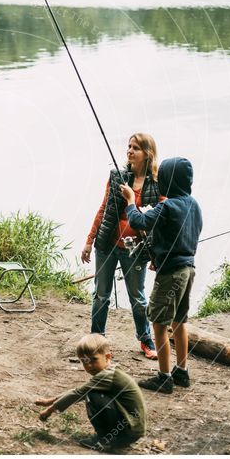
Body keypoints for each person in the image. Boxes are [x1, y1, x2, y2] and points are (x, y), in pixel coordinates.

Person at [120, 157, 203, 394]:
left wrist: (130, 200)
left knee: (158, 323)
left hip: (171, 274)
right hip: (189, 269)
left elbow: (138, 221)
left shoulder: (166, 206)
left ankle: (164, 377)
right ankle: (182, 372)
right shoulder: (193, 204)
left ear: (169, 181)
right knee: (179, 321)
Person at [81, 133, 162, 359]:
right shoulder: (117, 176)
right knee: (101, 295)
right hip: (107, 245)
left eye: (135, 148)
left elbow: (161, 222)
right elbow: (103, 208)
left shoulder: (156, 184)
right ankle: (97, 339)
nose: (129, 151)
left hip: (136, 251)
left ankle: (145, 340)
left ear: (148, 154)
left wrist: (157, 255)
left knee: (137, 297)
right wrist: (89, 240)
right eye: (128, 146)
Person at [35, 333, 147, 451]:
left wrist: (50, 410)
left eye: (94, 359)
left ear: (108, 357)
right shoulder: (111, 371)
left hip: (128, 430)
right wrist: (49, 401)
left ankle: (105, 440)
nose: (89, 365)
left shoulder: (106, 376)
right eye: (84, 361)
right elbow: (78, 391)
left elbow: (78, 393)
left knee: (92, 395)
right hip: (133, 429)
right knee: (91, 392)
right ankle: (113, 439)